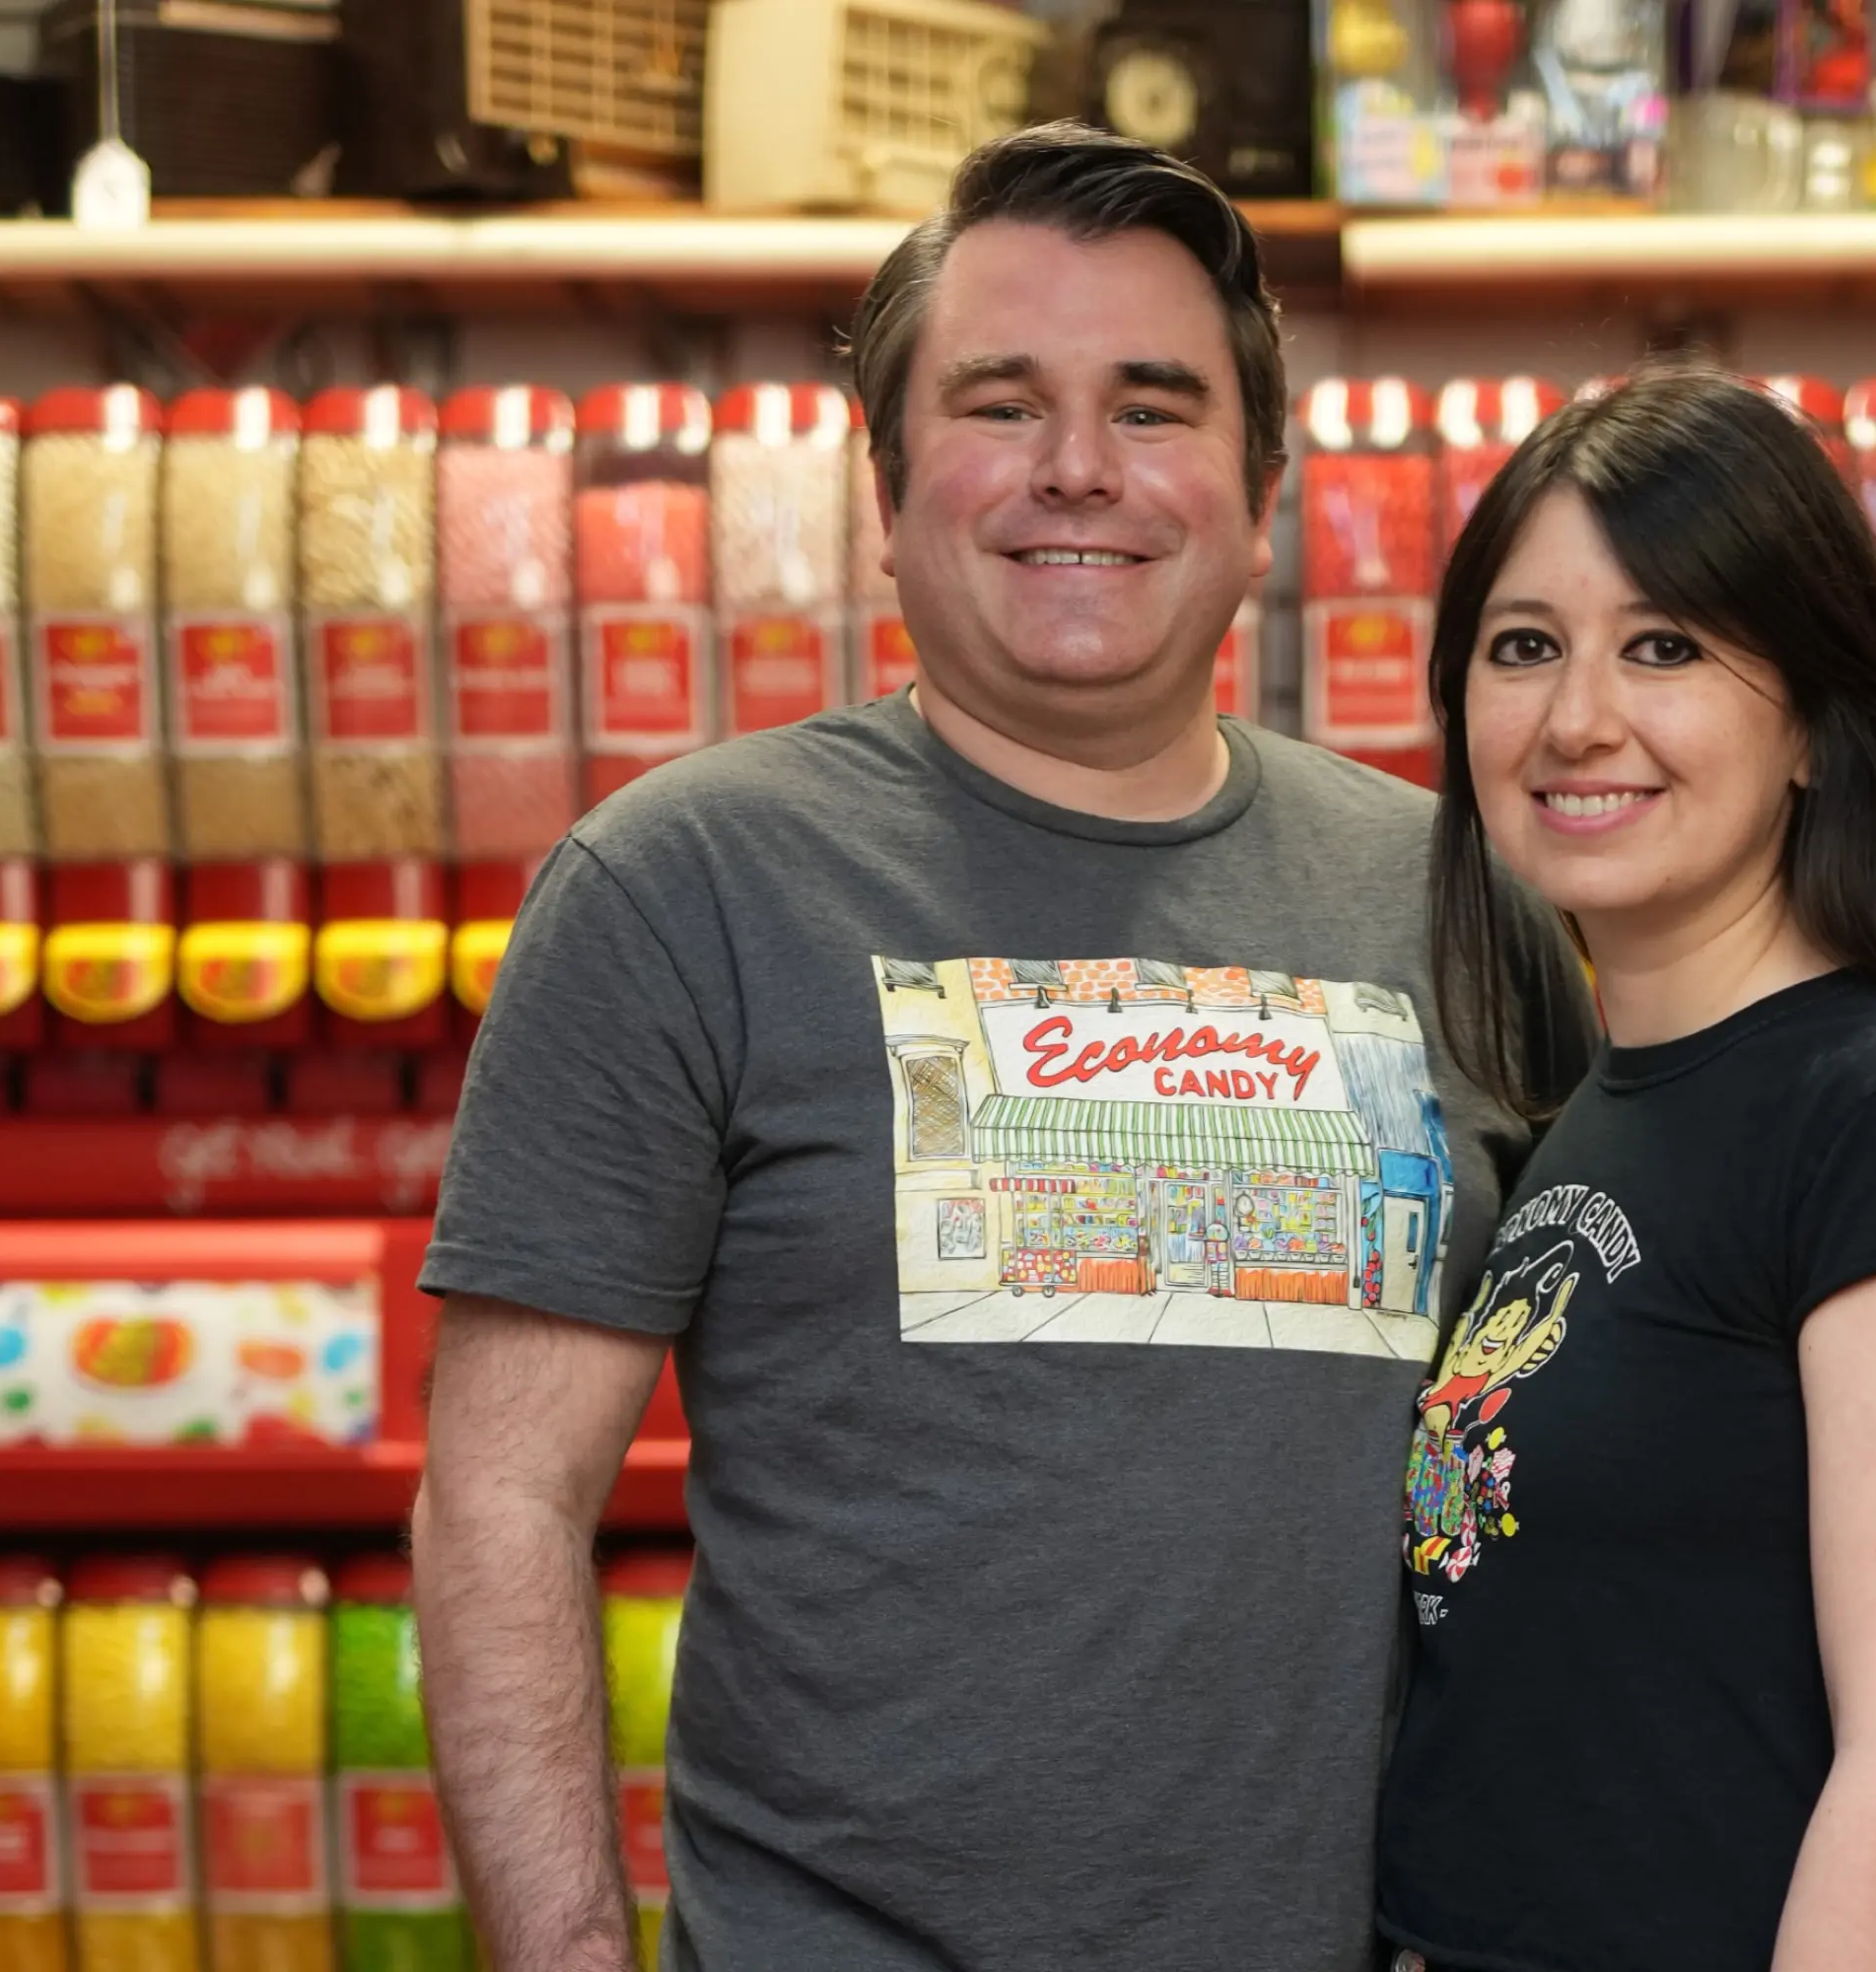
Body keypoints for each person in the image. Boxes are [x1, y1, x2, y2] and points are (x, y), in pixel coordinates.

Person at [409, 123, 1592, 1972]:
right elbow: (500, 1500)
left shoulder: (1460, 894)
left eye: (1151, 406)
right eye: (999, 402)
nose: (1075, 471)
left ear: (1256, 494)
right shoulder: (679, 889)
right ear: (886, 493)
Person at [1375, 367, 1876, 1972]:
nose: (1577, 720)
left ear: (1822, 722)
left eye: (1666, 647)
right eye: (1525, 647)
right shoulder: (1581, 1111)